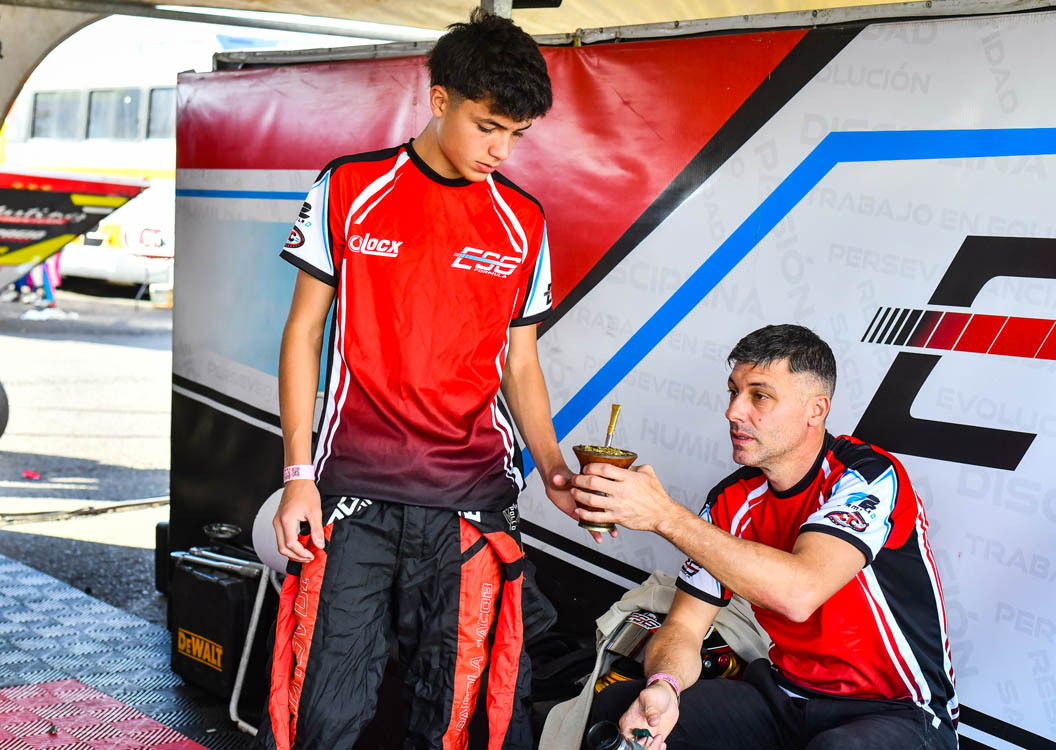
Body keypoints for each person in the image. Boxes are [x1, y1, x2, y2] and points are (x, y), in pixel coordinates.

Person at [257, 11, 587, 750]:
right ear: (440, 100)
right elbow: (303, 332)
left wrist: (554, 468)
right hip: (353, 499)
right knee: (321, 718)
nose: (501, 150)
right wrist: (298, 476)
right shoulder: (350, 185)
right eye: (488, 127)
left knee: (457, 724)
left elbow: (520, 363)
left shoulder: (524, 219)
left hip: (470, 507)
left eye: (517, 135)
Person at [578, 324, 958, 750]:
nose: (733, 411)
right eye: (733, 392)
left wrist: (663, 515)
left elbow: (799, 593)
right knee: (624, 707)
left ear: (816, 410)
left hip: (896, 711)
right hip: (786, 697)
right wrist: (665, 685)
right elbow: (684, 626)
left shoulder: (867, 477)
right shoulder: (731, 499)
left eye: (759, 396)